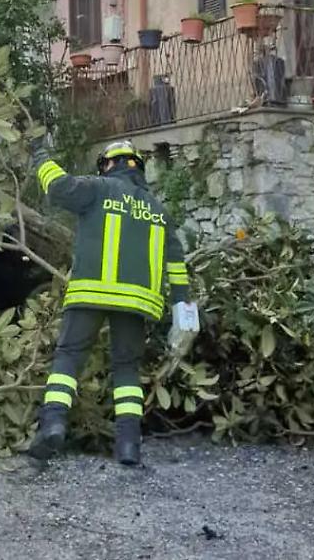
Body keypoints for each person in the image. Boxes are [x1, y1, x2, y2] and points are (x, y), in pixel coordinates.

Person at [28, 140, 196, 467]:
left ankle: (53, 423)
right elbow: (177, 266)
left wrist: (39, 154)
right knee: (126, 368)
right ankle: (129, 444)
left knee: (69, 357)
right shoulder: (158, 211)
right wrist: (183, 312)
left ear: (108, 165)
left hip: (91, 293)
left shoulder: (98, 188)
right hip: (137, 304)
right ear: (138, 168)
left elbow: (59, 187)